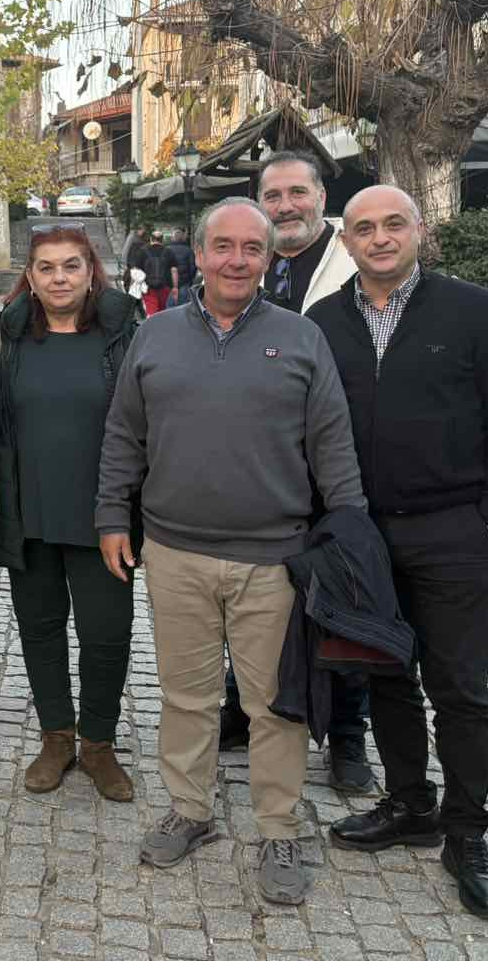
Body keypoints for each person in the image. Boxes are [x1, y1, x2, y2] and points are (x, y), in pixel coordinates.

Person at [96, 197, 365, 906]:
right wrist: (111, 516)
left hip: (274, 558)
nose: (237, 260)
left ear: (269, 258)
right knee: (186, 697)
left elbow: (332, 443)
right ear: (199, 254)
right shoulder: (154, 335)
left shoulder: (302, 338)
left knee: (274, 704)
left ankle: (279, 828)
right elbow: (124, 435)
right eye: (223, 246)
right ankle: (190, 811)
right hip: (174, 552)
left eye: (252, 248)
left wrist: (351, 533)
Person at [309, 185, 488, 921]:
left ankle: (466, 833)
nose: (379, 238)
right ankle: (410, 804)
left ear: (419, 231)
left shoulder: (473, 311)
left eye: (393, 225)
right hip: (363, 535)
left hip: (452, 531)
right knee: (386, 676)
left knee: (460, 689)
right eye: (364, 228)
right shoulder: (325, 322)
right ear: (346, 241)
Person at [219, 151, 373, 794]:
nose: (285, 206)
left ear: (321, 198)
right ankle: (241, 706)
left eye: (297, 193)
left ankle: (347, 735)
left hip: (338, 466)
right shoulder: (245, 265)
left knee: (341, 601)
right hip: (260, 470)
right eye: (273, 195)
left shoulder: (354, 265)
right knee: (252, 594)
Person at [0, 224, 139, 802]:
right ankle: (56, 737)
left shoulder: (125, 334)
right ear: (31, 276)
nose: (59, 278)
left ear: (91, 272)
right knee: (40, 629)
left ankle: (98, 743)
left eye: (71, 266)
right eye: (46, 268)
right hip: (31, 511)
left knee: (106, 634)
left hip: (104, 515)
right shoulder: (6, 336)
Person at [140, 231, 174, 314]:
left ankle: (152, 321)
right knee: (162, 311)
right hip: (164, 286)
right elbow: (174, 270)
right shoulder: (168, 251)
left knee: (151, 311)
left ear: (151, 239)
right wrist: (175, 286)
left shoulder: (143, 251)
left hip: (148, 287)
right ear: (162, 240)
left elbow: (137, 270)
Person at [166, 228, 196, 294]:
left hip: (170, 281)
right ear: (183, 238)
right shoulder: (189, 250)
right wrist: (190, 279)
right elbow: (193, 267)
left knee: (170, 299)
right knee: (184, 299)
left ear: (172, 238)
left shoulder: (166, 250)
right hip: (185, 281)